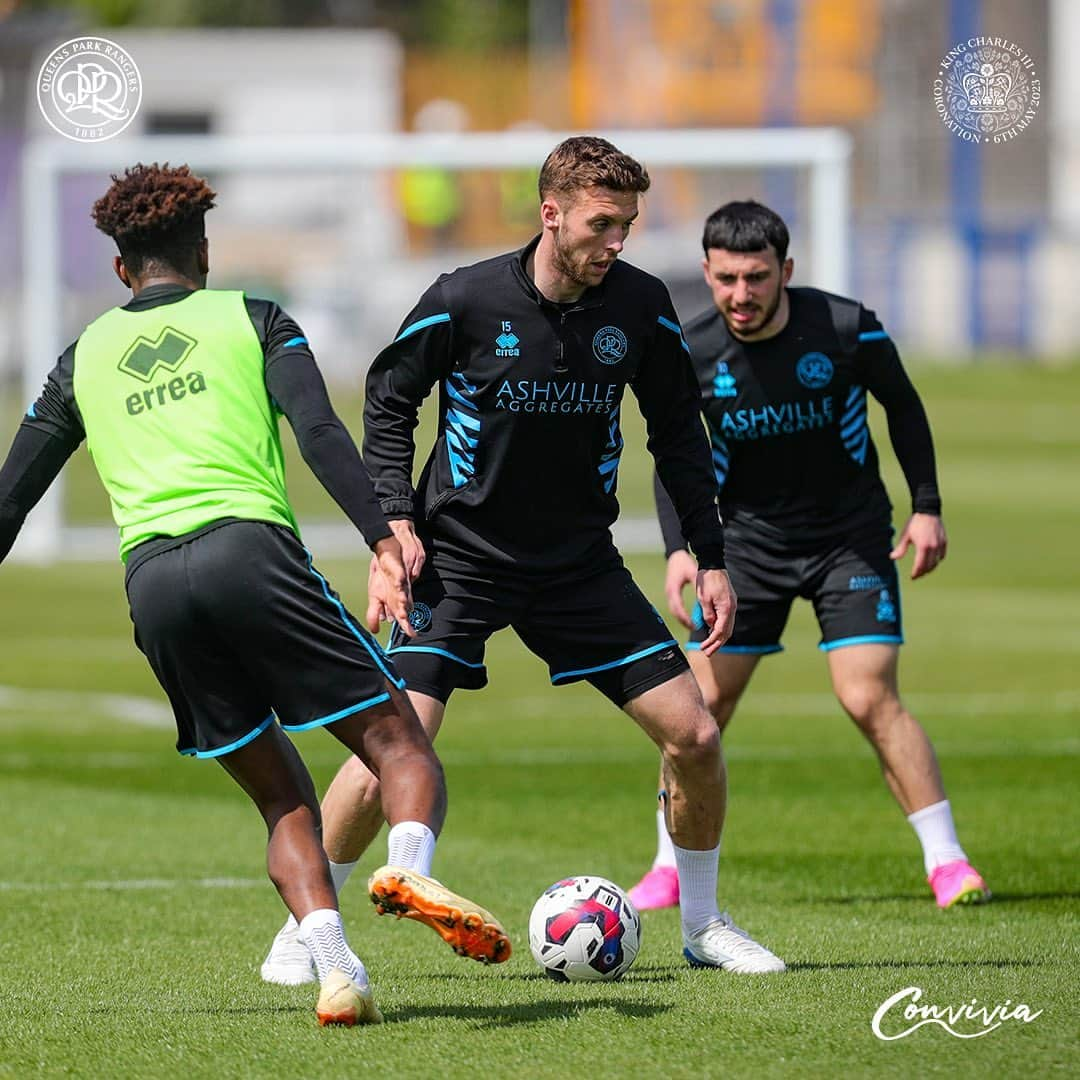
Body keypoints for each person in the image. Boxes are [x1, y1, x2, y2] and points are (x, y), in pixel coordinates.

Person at [260, 136, 786, 983]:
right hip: (458, 561)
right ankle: (304, 929)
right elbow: (390, 399)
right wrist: (393, 525)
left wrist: (707, 552)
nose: (617, 241)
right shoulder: (462, 298)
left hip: (579, 564)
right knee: (391, 746)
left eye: (628, 224)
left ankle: (703, 923)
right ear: (551, 214)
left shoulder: (641, 306)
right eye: (601, 223)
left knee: (694, 734)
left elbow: (681, 432)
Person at [0, 163, 510, 1028]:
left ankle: (337, 972)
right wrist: (385, 538)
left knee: (283, 798)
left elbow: (11, 497)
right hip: (251, 555)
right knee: (401, 748)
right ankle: (410, 867)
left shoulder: (79, 358)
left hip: (153, 587)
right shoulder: (254, 318)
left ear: (122, 270)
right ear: (202, 251)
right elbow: (319, 433)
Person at [627, 200, 990, 913]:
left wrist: (927, 506)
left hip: (847, 540)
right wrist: (681, 553)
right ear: (706, 272)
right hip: (745, 552)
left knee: (867, 695)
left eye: (756, 277)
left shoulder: (848, 328)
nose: (740, 294)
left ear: (785, 271)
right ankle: (668, 864)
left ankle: (948, 862)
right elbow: (676, 458)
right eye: (726, 278)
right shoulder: (692, 351)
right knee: (696, 711)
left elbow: (904, 407)